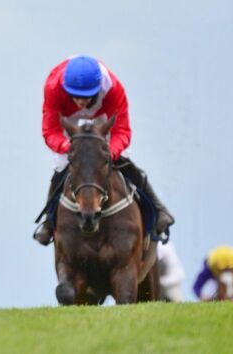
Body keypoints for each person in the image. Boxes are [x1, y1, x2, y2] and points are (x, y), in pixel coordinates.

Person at [33, 55, 175, 245]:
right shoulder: (53, 87)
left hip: (102, 114)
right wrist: (69, 147)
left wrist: (110, 152)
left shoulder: (113, 89)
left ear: (98, 88)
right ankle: (49, 223)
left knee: (123, 158)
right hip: (67, 117)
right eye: (76, 95)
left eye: (86, 96)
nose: (80, 101)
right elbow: (51, 131)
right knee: (61, 165)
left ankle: (158, 209)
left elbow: (122, 132)